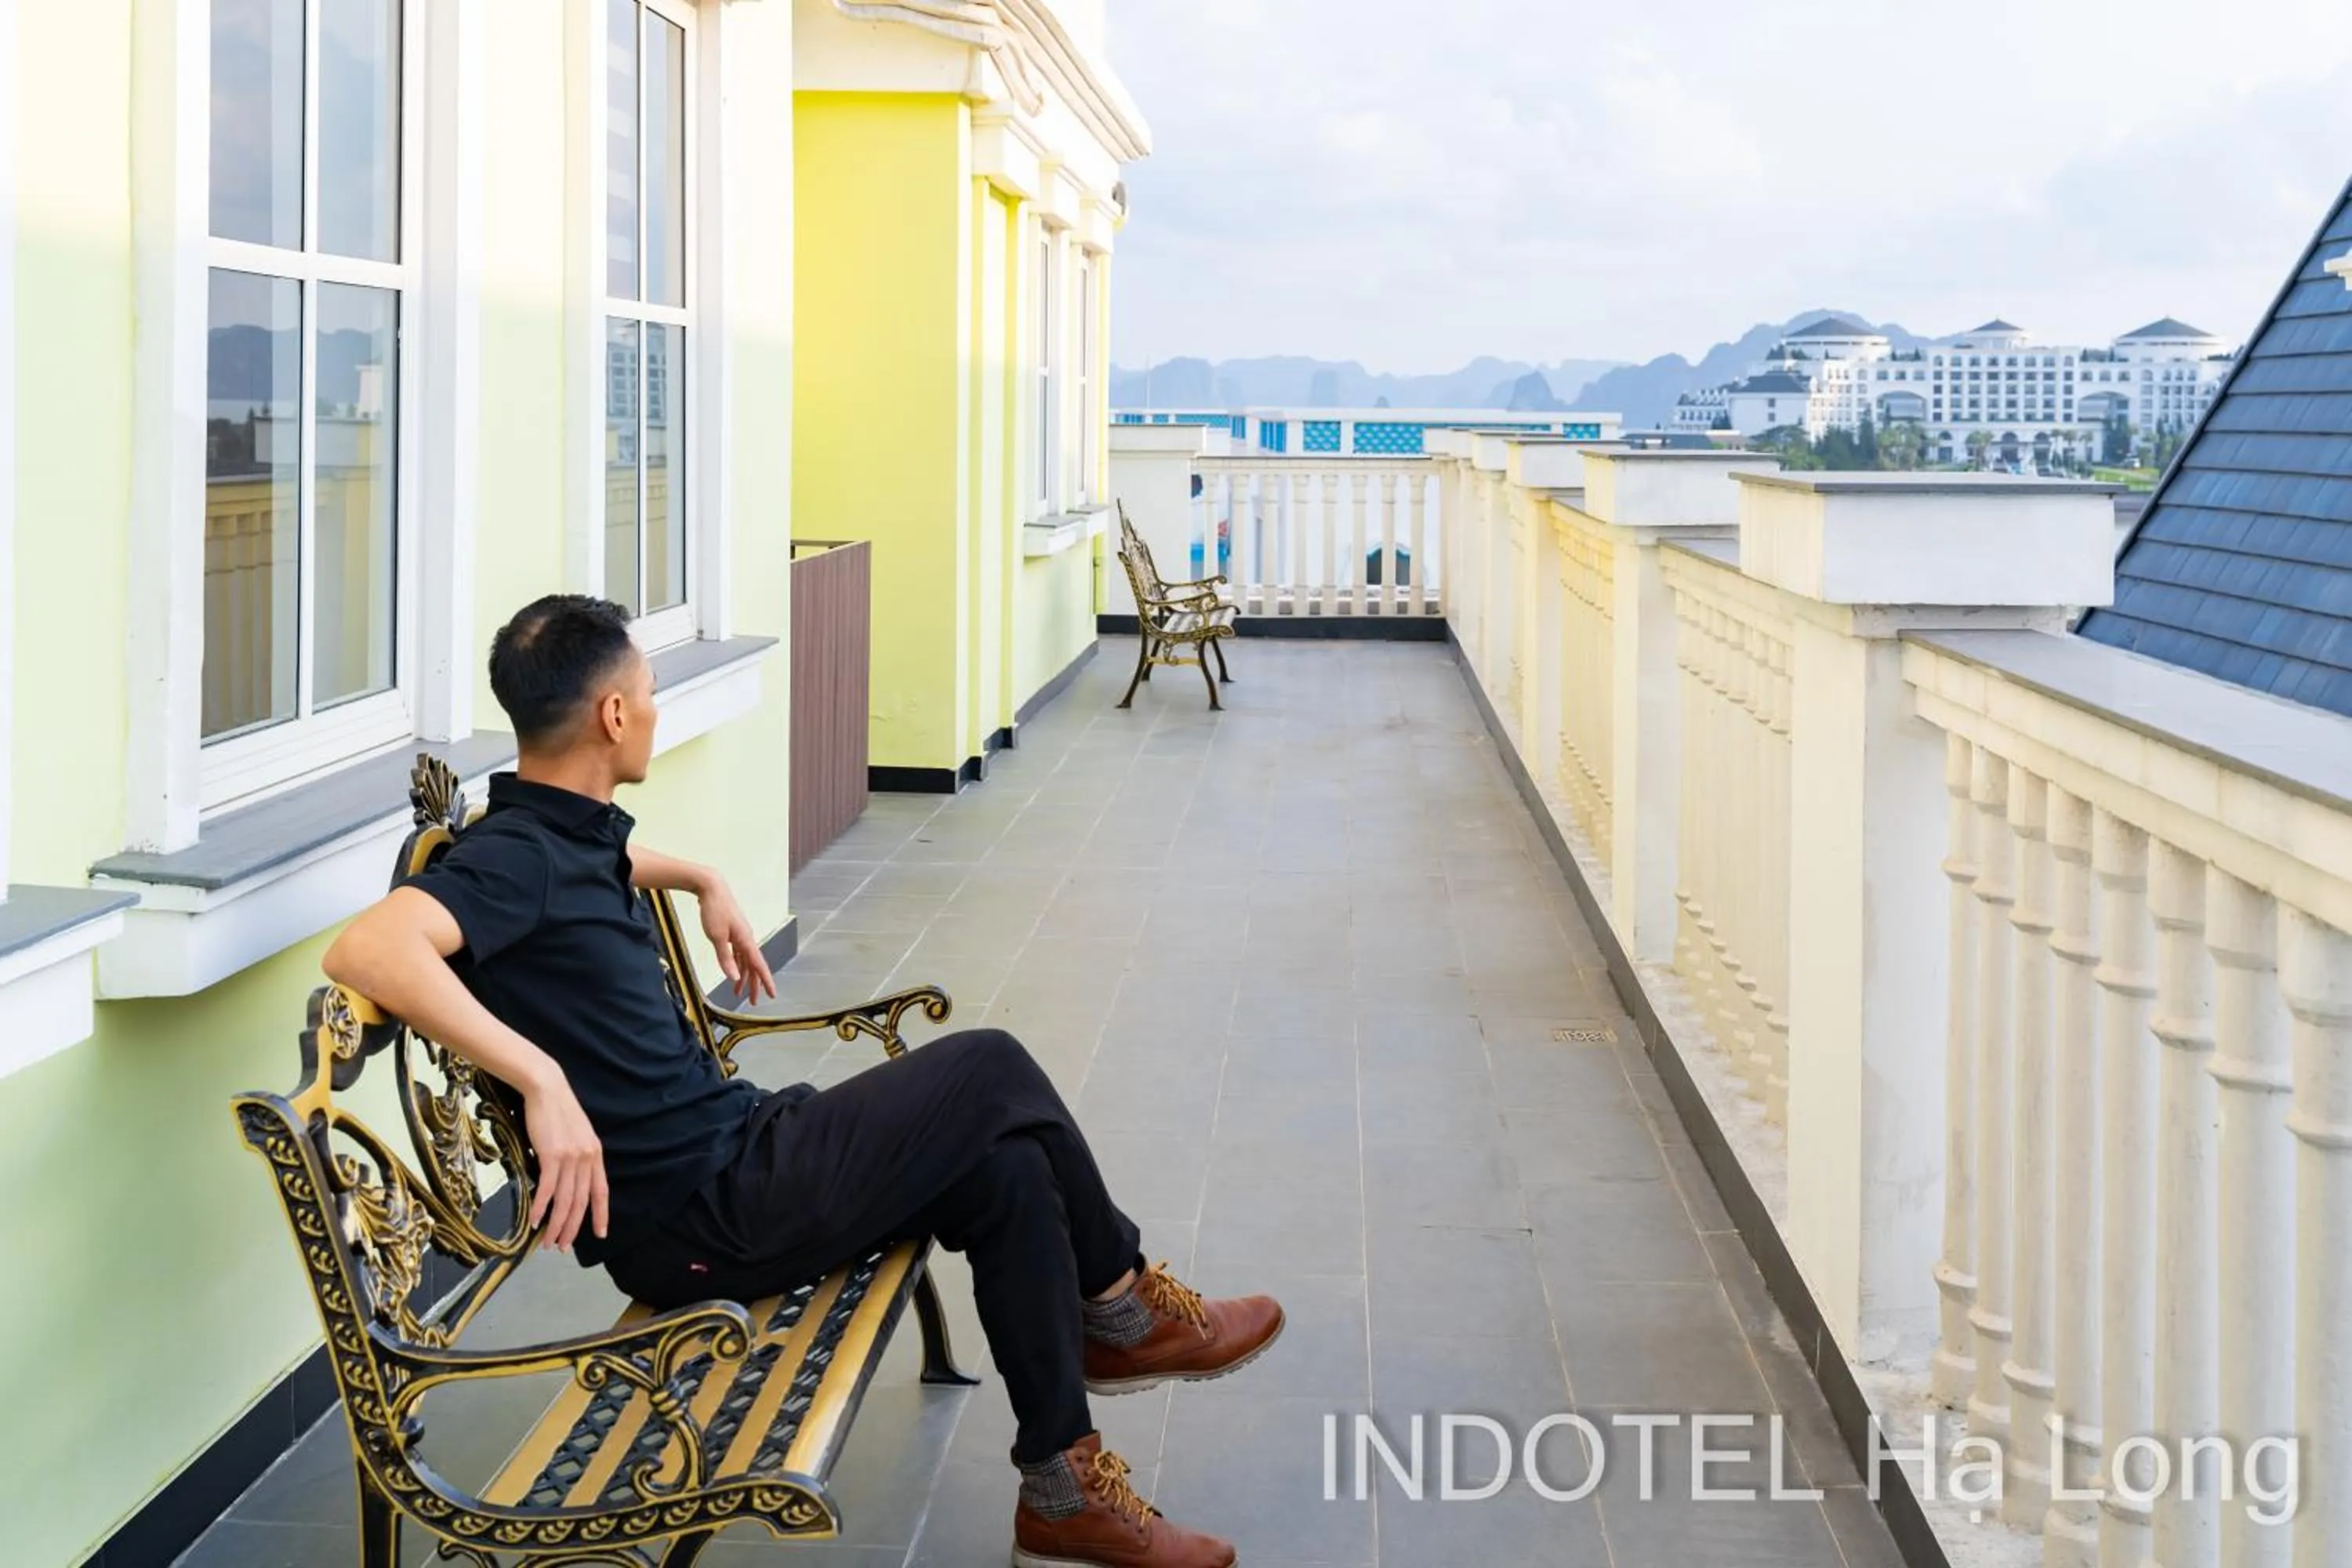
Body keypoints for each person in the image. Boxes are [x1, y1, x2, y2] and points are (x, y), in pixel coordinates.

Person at [324, 595, 1280, 1568]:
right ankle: (1123, 1306)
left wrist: (699, 875)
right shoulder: (515, 857)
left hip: (738, 1155)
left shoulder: (552, 825)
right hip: (706, 1216)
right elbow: (366, 947)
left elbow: (599, 859)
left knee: (1009, 1168)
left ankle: (1062, 1488)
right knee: (990, 1066)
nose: (654, 710)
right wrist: (538, 1079)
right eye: (649, 693)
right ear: (613, 716)